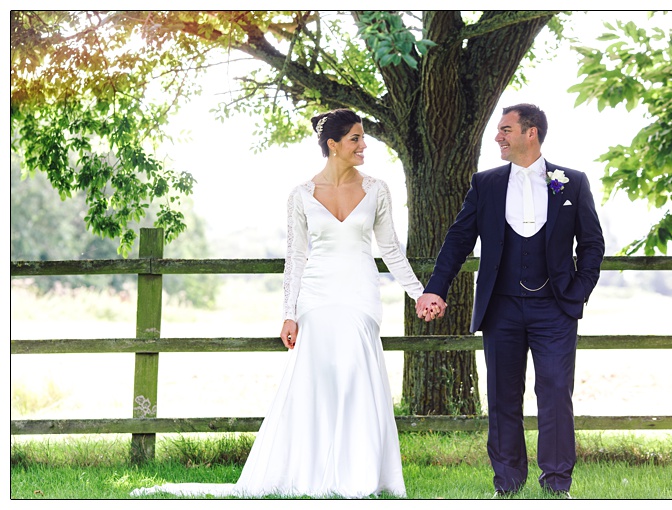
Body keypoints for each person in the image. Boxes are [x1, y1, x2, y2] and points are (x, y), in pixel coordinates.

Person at [133, 109, 421, 498]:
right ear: (333, 145)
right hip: (316, 296)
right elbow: (295, 258)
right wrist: (289, 313)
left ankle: (359, 473)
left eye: (362, 137)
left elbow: (389, 249)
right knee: (318, 379)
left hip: (360, 293)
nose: (364, 144)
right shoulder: (300, 195)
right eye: (355, 138)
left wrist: (420, 293)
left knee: (355, 375)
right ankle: (311, 470)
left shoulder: (377, 189)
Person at [415, 103, 605, 497]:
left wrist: (578, 291)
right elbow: (458, 240)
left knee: (555, 394)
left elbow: (592, 244)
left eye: (505, 129)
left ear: (530, 133)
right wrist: (436, 287)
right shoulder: (485, 184)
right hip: (500, 308)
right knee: (503, 396)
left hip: (556, 309)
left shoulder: (571, 182)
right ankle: (507, 483)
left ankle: (556, 483)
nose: (497, 137)